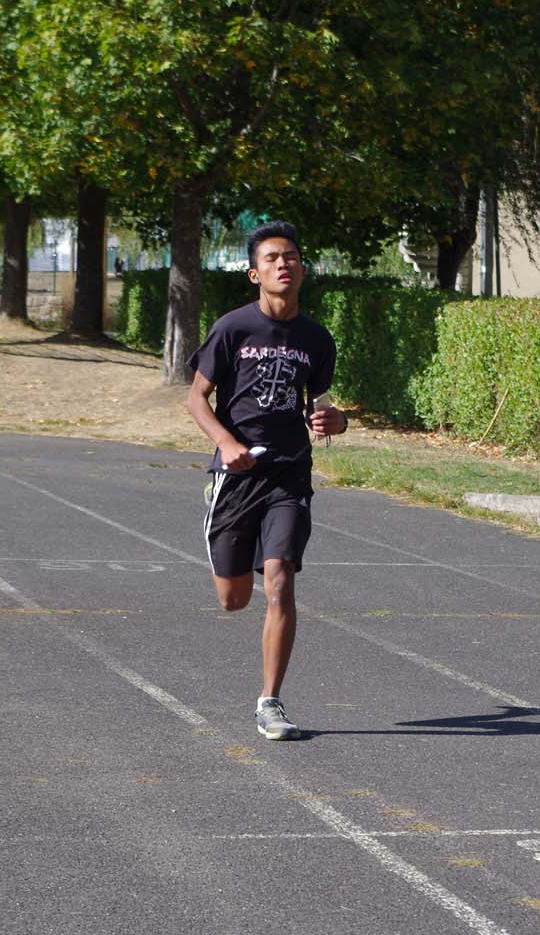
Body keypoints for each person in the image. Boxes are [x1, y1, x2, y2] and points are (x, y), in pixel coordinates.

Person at [186, 220, 347, 741]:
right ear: (255, 273)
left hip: (288, 473)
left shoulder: (317, 338)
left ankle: (269, 702)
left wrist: (334, 420)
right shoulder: (233, 328)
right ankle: (221, 528)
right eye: (274, 258)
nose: (285, 264)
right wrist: (228, 445)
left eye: (293, 257)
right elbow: (195, 398)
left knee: (279, 577)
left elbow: (320, 406)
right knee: (233, 599)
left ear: (302, 269)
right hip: (236, 475)